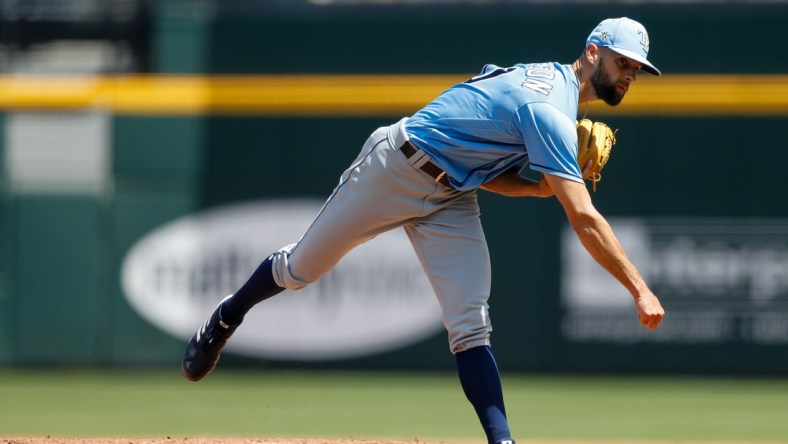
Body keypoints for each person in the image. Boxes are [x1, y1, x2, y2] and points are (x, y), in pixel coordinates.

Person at [181, 17, 666, 444]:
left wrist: (541, 190)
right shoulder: (550, 112)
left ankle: (502, 441)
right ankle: (228, 315)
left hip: (452, 193)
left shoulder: (548, 88)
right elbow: (584, 219)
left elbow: (483, 159)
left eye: (636, 70)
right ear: (593, 52)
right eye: (623, 63)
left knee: (471, 323)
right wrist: (640, 289)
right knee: (299, 268)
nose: (629, 75)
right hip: (396, 166)